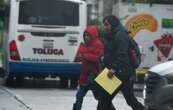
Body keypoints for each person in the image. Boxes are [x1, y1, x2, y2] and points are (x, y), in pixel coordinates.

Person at [96, 15, 144, 110]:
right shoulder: (113, 34)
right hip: (118, 73)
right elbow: (111, 53)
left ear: (113, 24)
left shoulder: (120, 35)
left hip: (121, 73)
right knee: (105, 99)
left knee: (105, 99)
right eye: (104, 25)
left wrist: (114, 68)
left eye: (106, 25)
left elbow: (122, 55)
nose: (105, 27)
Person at [73, 25, 104, 110]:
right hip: (85, 77)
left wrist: (84, 55)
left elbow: (98, 58)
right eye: (85, 35)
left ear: (93, 35)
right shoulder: (85, 45)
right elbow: (79, 57)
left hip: (95, 77)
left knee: (100, 98)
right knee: (79, 95)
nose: (86, 37)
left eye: (88, 35)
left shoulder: (98, 44)